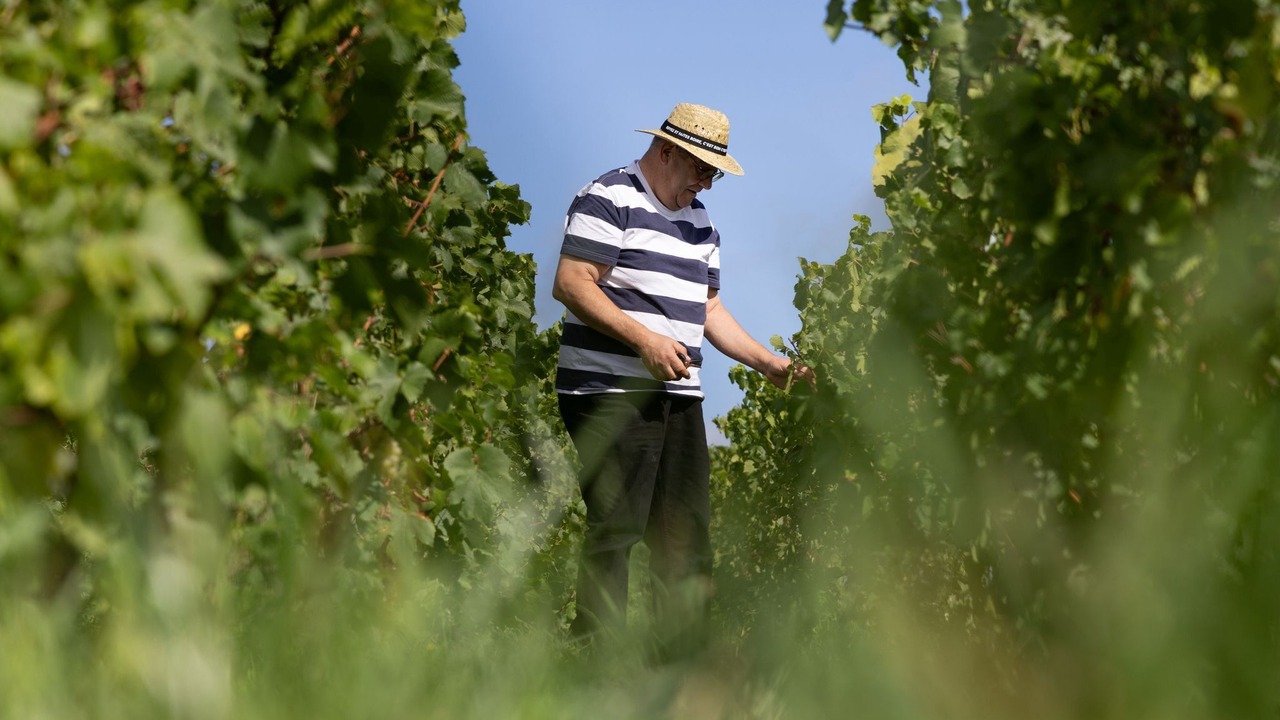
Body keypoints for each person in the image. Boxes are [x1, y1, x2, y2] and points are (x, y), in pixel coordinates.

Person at [552, 102, 813, 647]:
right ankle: (592, 666)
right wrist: (644, 340)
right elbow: (573, 283)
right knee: (617, 528)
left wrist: (770, 363)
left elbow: (710, 309)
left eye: (713, 173)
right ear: (666, 151)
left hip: (679, 395)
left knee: (685, 537)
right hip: (610, 391)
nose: (707, 183)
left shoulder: (700, 223)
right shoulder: (609, 197)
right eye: (700, 169)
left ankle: (678, 674)